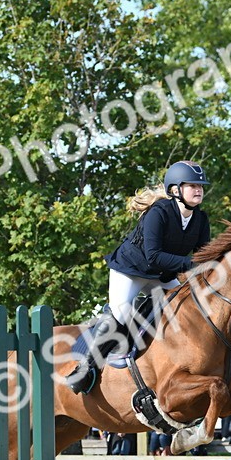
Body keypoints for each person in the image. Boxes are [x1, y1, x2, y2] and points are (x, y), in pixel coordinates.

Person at [67, 160, 212, 393]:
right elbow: (153, 256)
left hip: (162, 275)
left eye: (201, 186)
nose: (198, 190)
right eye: (192, 185)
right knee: (122, 315)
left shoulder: (200, 219)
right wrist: (191, 264)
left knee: (186, 307)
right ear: (175, 190)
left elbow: (203, 256)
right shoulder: (159, 213)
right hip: (131, 271)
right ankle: (86, 368)